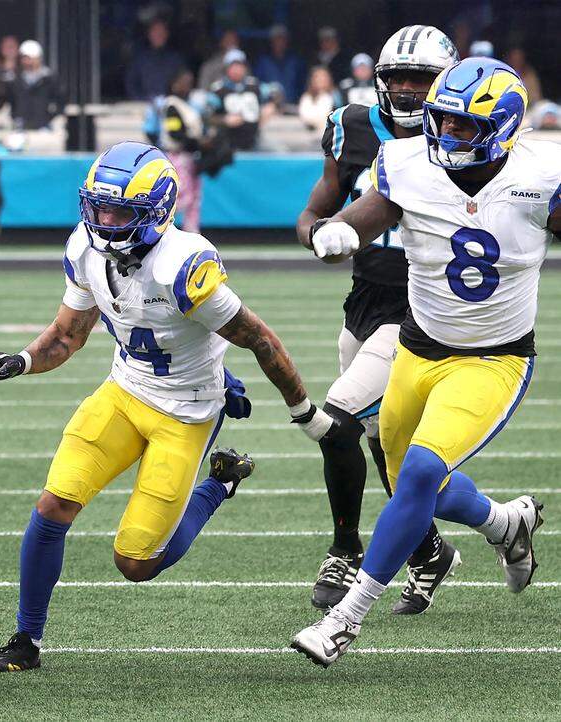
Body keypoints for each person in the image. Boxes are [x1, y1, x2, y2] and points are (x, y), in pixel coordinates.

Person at [0, 141, 335, 672]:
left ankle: (220, 485)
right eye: (99, 207)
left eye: (120, 210)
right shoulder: (86, 249)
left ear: (157, 210)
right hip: (124, 392)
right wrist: (21, 362)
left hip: (185, 412)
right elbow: (67, 336)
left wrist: (303, 410)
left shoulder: (183, 265)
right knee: (53, 506)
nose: (106, 220)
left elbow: (259, 338)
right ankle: (27, 641)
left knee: (136, 563)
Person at [294, 57, 555, 666]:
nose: (445, 134)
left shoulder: (543, 175)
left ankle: (345, 620)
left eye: (464, 126)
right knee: (413, 483)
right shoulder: (410, 162)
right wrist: (338, 232)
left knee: (415, 477)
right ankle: (504, 522)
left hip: (492, 360)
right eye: (441, 120)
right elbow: (375, 210)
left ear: (503, 128)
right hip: (417, 347)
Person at [295, 25, 460, 615]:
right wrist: (320, 234)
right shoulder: (353, 125)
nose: (412, 90)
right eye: (400, 79)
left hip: (419, 307)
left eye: (424, 79)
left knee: (334, 421)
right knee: (381, 447)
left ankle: (345, 549)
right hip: (364, 299)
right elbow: (317, 206)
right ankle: (446, 544)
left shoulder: (465, 136)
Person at [157, 69, 205, 232]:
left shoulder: (189, 105)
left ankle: (193, 234)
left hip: (190, 156)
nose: (186, 86)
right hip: (177, 157)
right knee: (180, 197)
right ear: (174, 84)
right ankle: (158, 226)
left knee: (194, 199)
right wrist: (199, 142)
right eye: (183, 82)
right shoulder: (171, 105)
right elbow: (175, 134)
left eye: (189, 82)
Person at [207, 50, 273, 151]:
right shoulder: (218, 90)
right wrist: (224, 120)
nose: (237, 69)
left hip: (254, 141)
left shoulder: (254, 85)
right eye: (233, 66)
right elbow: (207, 117)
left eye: (240, 65)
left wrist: (270, 106)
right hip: (228, 143)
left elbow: (276, 93)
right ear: (227, 68)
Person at [124, 18, 184, 101]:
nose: (159, 34)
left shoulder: (176, 59)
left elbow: (184, 84)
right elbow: (131, 86)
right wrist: (143, 101)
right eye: (155, 31)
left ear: (167, 34)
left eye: (162, 31)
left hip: (170, 106)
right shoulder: (139, 60)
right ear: (149, 34)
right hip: (142, 107)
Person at [9, 40, 63, 130]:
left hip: (44, 126)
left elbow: (60, 101)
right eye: (25, 58)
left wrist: (50, 117)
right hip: (21, 126)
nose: (28, 62)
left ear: (38, 58)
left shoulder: (50, 79)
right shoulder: (15, 80)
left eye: (31, 58)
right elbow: (12, 102)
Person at [255, 24, 305, 105]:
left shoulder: (296, 61)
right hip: (270, 106)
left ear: (287, 41)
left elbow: (302, 84)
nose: (279, 42)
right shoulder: (263, 62)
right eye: (276, 39)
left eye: (282, 38)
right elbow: (258, 84)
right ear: (271, 41)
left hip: (292, 105)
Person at [298, 66, 341, 133]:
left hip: (330, 133)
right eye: (318, 77)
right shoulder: (307, 97)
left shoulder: (335, 96)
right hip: (309, 133)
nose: (321, 80)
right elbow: (305, 116)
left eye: (324, 77)